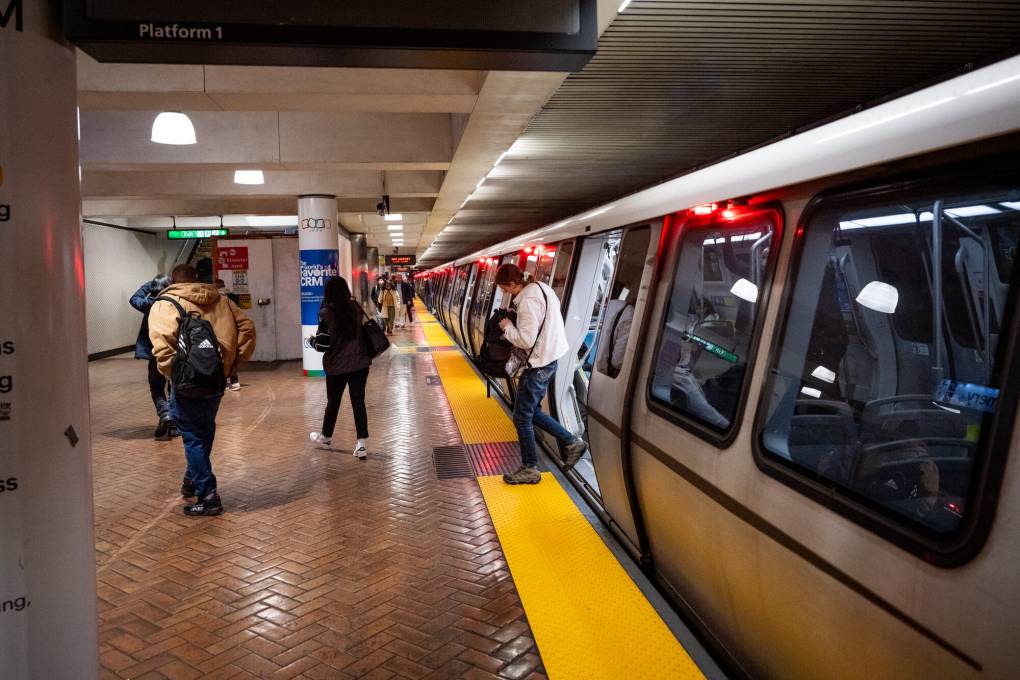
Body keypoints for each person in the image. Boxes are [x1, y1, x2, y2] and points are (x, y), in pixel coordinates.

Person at [149, 263, 256, 516]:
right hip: (216, 379)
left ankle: (208, 495)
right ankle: (191, 480)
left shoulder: (165, 303)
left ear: (173, 281)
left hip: (186, 383)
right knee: (204, 429)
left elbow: (161, 345)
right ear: (196, 278)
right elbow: (248, 328)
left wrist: (173, 373)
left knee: (193, 435)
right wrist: (231, 365)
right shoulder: (221, 300)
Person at [495, 264, 587, 484]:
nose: (505, 293)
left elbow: (526, 340)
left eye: (505, 289)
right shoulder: (541, 287)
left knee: (521, 417)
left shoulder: (527, 301)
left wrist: (508, 326)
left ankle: (530, 468)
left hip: (538, 364)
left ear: (513, 284)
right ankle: (572, 442)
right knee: (532, 411)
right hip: (549, 359)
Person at [309, 276, 372, 459]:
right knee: (358, 402)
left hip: (337, 366)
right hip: (360, 364)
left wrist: (311, 339)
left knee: (333, 402)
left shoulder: (326, 313)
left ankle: (326, 436)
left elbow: (322, 345)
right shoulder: (356, 309)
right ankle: (361, 444)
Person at [129, 274, 176, 440]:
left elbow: (134, 298)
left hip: (155, 353)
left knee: (156, 387)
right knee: (174, 387)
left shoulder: (150, 305)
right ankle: (175, 423)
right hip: (174, 353)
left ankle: (165, 415)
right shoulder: (176, 304)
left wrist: (151, 285)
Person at [216, 279, 242, 391]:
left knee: (222, 357)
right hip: (231, 331)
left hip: (220, 331)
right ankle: (234, 380)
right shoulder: (232, 297)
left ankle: (229, 381)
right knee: (231, 356)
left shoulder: (218, 299)